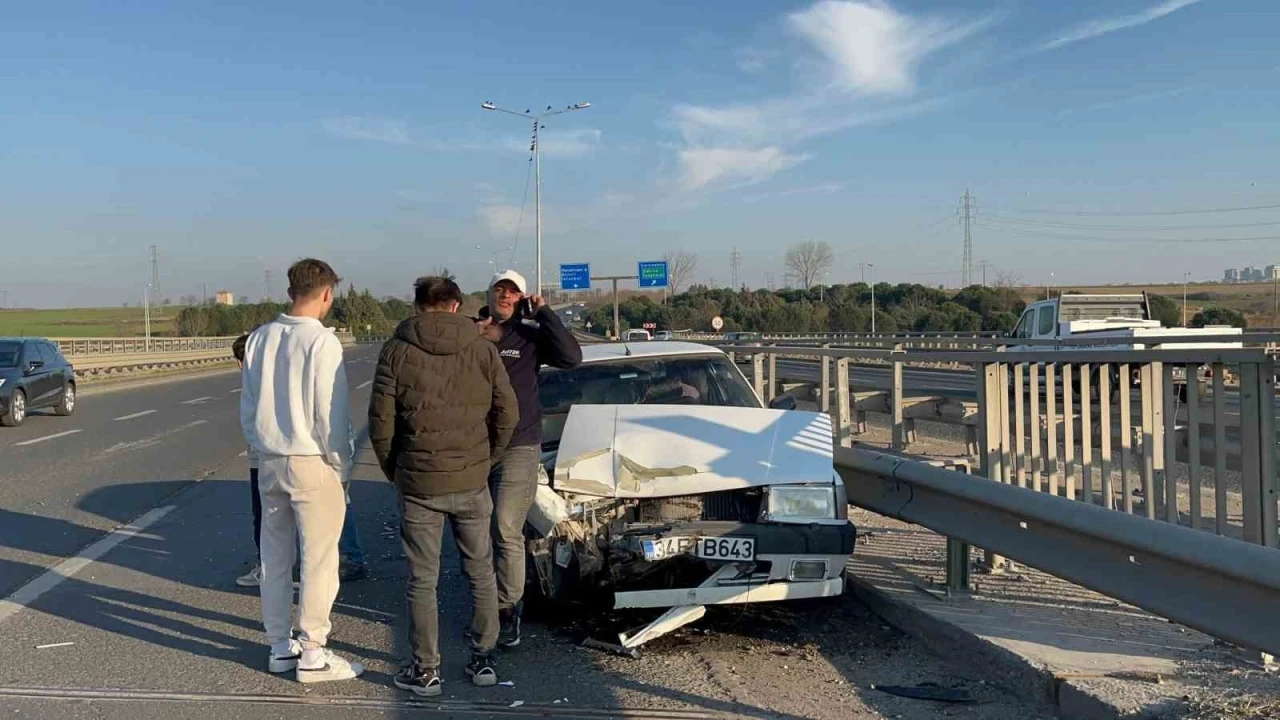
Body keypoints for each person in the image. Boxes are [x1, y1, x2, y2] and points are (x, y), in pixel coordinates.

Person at [369, 275, 518, 696]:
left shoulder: (396, 350)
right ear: (456, 305)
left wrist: (396, 470)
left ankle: (427, 671)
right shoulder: (483, 349)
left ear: (418, 306)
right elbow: (507, 414)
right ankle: (484, 660)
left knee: (422, 580)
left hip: (419, 484)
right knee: (481, 573)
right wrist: (486, 461)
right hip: (472, 479)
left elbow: (381, 424)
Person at [239, 258, 364, 683]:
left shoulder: (259, 339)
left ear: (291, 290)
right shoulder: (322, 342)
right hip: (312, 460)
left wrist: (258, 450)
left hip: (269, 460)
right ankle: (313, 652)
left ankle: (279, 646)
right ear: (327, 293)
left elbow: (249, 407)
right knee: (318, 560)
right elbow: (329, 413)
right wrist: (341, 465)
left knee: (274, 560)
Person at [475, 269, 581, 647]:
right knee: (475, 530)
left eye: (513, 292)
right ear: (488, 294)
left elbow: (571, 358)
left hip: (519, 445)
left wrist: (545, 313)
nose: (505, 296)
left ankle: (507, 609)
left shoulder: (531, 336)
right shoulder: (471, 331)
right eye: (499, 289)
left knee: (505, 527)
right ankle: (483, 605)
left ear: (521, 298)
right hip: (473, 446)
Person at [234, 330, 366, 589]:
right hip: (309, 454)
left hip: (280, 458)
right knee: (329, 510)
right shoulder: (291, 365)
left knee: (276, 519)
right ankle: (331, 565)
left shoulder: (262, 379)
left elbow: (250, 421)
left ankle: (277, 570)